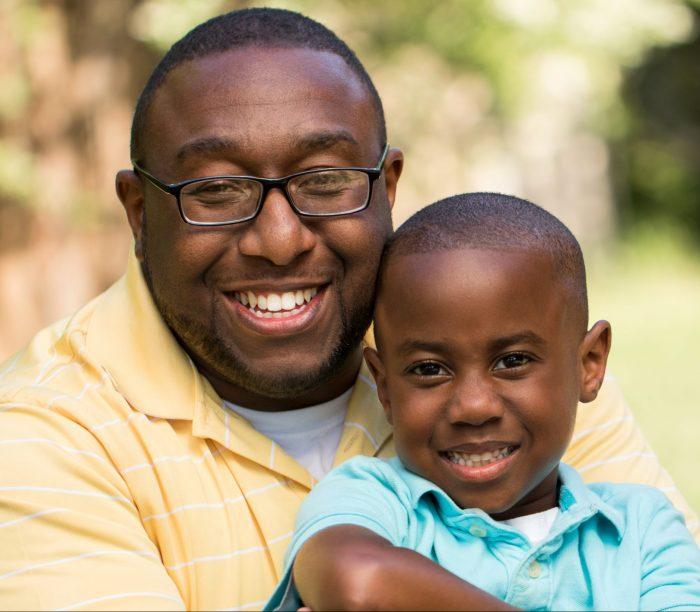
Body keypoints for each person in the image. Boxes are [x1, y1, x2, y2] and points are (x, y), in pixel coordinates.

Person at [0, 8, 695, 612]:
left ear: (388, 186)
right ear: (138, 212)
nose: (279, 241)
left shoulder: (515, 364)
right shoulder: (41, 441)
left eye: (325, 180)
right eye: (216, 192)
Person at [266, 193, 700, 611]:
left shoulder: (641, 528)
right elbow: (355, 582)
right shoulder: (376, 500)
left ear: (589, 364)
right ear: (384, 387)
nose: (473, 407)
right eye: (429, 369)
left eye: (512, 361)